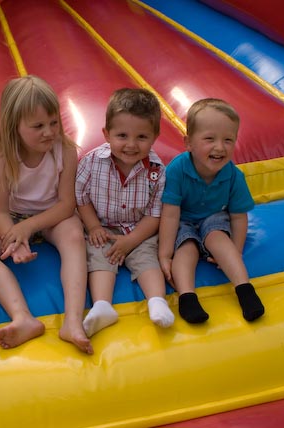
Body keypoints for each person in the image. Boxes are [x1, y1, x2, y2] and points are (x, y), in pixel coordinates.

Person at [0, 75, 93, 354]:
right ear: (15, 126)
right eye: (38, 126)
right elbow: (1, 213)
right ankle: (22, 317)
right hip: (16, 218)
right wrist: (14, 240)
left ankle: (73, 321)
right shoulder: (3, 162)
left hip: (53, 216)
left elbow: (66, 205)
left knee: (74, 237)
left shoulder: (65, 151)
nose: (49, 132)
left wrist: (29, 228)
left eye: (54, 122)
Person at [75, 88, 175, 337]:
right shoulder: (92, 162)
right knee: (99, 255)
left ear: (155, 137)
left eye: (141, 137)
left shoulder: (157, 171)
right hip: (103, 227)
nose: (131, 145)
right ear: (106, 134)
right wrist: (93, 227)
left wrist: (132, 240)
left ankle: (157, 301)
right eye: (122, 136)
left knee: (147, 258)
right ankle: (102, 305)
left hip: (138, 229)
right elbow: (81, 199)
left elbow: (155, 214)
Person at [158, 98, 265, 324]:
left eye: (228, 140)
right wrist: (165, 254)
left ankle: (245, 290)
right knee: (186, 247)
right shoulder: (177, 170)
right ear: (189, 143)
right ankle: (187, 297)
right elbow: (170, 213)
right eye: (209, 139)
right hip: (183, 219)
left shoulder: (233, 175)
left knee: (218, 238)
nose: (220, 147)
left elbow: (238, 216)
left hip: (213, 217)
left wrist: (236, 249)